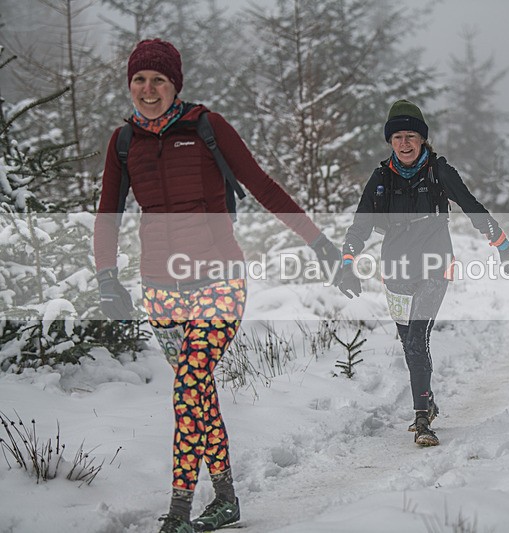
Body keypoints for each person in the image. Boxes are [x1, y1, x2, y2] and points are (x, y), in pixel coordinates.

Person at [93, 39, 340, 533]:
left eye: (158, 80)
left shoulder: (207, 126)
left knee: (188, 387)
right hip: (160, 289)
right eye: (139, 80)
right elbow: (108, 214)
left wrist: (319, 242)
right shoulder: (123, 143)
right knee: (198, 393)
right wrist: (106, 278)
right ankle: (225, 500)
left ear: (174, 85)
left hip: (219, 281)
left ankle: (179, 513)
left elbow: (262, 185)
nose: (147, 89)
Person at [338, 99, 509, 447]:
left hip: (436, 265)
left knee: (417, 337)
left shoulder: (439, 172)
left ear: (423, 140)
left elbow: (471, 206)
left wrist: (502, 243)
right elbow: (359, 227)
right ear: (390, 142)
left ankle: (421, 420)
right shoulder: (380, 180)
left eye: (412, 136)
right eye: (398, 137)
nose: (405, 144)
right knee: (409, 343)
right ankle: (428, 401)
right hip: (396, 268)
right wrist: (347, 263)